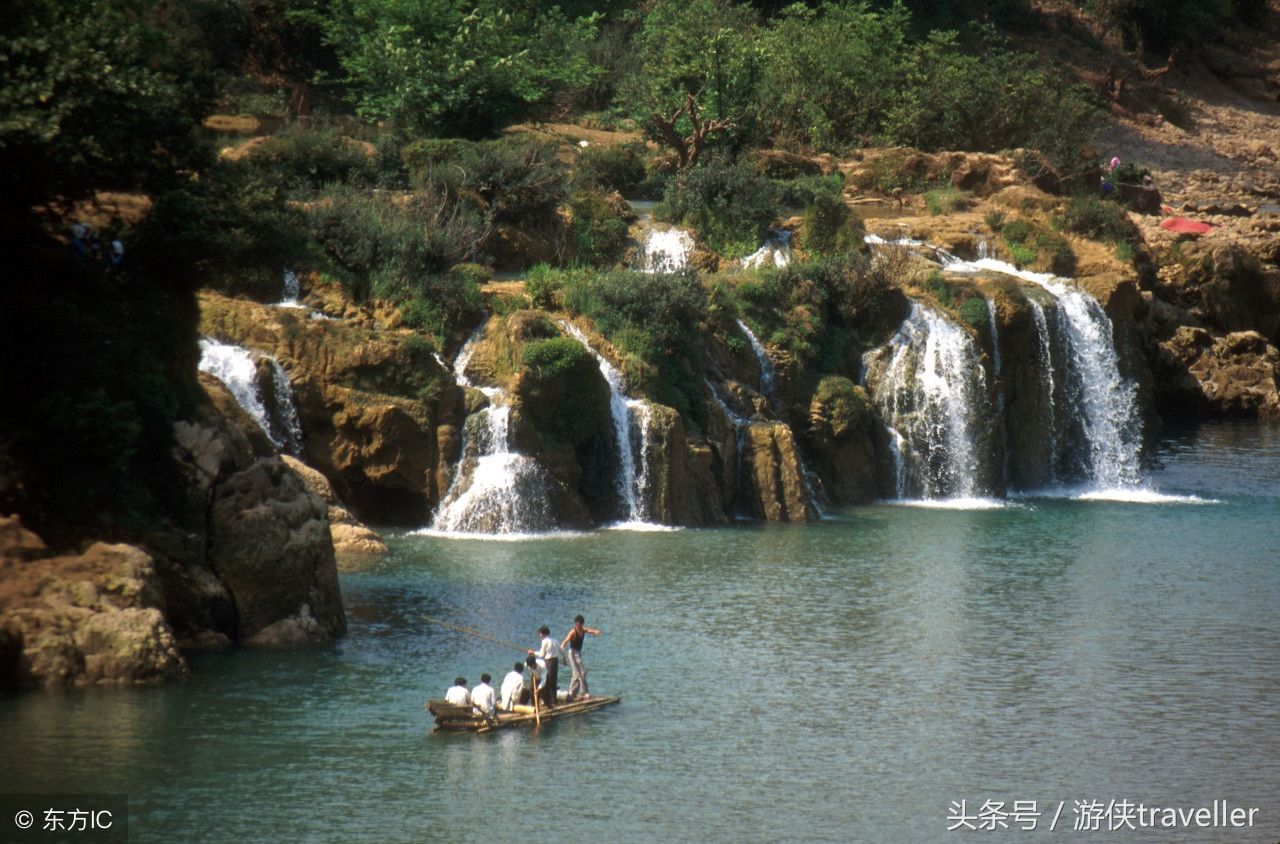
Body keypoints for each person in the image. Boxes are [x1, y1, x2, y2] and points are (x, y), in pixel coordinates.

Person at [561, 615, 601, 700]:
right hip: (572, 653)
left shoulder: (583, 630)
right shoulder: (573, 632)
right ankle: (584, 693)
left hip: (578, 653)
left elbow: (589, 630)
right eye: (576, 624)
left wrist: (595, 632)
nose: (577, 626)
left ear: (582, 624)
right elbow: (566, 640)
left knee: (576, 674)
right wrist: (562, 649)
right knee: (582, 672)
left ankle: (572, 693)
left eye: (578, 624)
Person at [528, 627, 561, 708]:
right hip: (556, 661)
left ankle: (547, 701)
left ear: (543, 633)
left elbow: (542, 654)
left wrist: (533, 652)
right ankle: (554, 700)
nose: (539, 635)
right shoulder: (555, 640)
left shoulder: (544, 641)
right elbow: (561, 650)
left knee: (547, 681)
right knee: (553, 681)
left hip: (548, 662)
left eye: (540, 633)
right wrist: (565, 659)